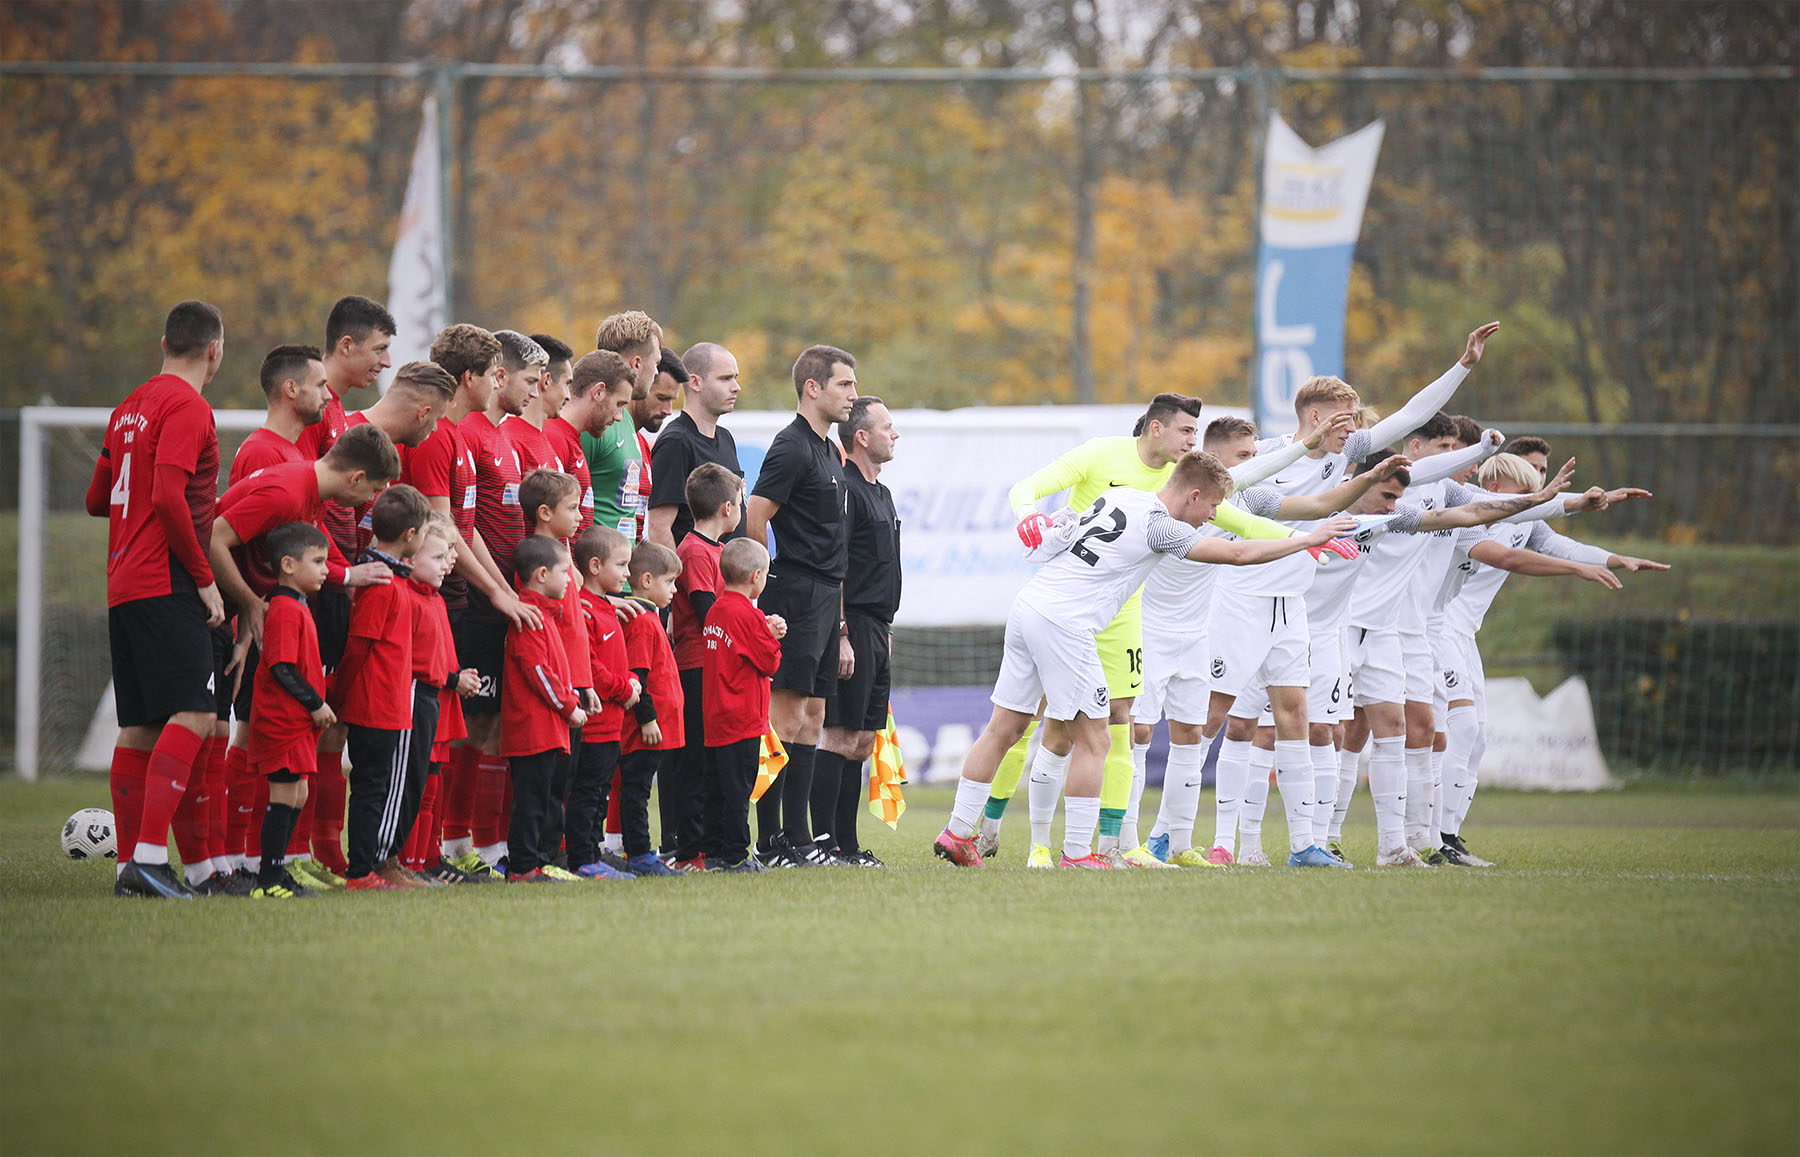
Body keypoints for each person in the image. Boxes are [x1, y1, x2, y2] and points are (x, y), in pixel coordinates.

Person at [933, 452, 1356, 869]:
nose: (1212, 517)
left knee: (1003, 727)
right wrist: (1306, 539)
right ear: (1193, 495)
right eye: (1211, 506)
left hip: (1031, 605)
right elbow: (1237, 555)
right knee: (1096, 740)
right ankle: (1078, 855)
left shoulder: (1126, 497)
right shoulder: (1160, 526)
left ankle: (957, 832)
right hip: (1065, 623)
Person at [974, 393, 1303, 863]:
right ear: (1157, 429)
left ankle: (1116, 844)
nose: (1194, 441)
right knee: (1038, 725)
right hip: (1069, 611)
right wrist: (1029, 515)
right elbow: (1024, 488)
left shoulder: (1179, 482)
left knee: (1120, 726)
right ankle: (1014, 834)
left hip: (1125, 616)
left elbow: (1244, 525)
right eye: (1188, 432)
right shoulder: (1101, 454)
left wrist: (1305, 540)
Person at [86, 300, 228, 899]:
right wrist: (202, 577)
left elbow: (98, 499)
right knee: (195, 712)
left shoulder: (127, 409)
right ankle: (147, 859)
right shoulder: (189, 407)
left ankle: (129, 867)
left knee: (141, 726)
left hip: (123, 580)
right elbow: (171, 496)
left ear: (162, 342)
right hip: (166, 578)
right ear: (215, 352)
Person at [745, 345, 859, 867]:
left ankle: (798, 838)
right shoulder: (790, 446)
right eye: (844, 385)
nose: (852, 396)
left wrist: (836, 622)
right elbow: (756, 515)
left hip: (824, 597)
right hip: (793, 591)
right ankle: (769, 842)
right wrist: (764, 581)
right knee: (784, 718)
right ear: (813, 387)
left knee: (813, 717)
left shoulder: (831, 451)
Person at [296, 297, 396, 879]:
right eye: (379, 350)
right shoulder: (317, 410)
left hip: (336, 584)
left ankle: (324, 849)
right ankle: (284, 851)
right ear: (347, 346)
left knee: (331, 724)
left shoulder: (340, 414)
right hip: (312, 587)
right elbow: (304, 507)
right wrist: (343, 572)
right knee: (297, 723)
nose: (383, 362)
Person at [457, 329, 547, 872]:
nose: (535, 392)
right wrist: (497, 589)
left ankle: (483, 844)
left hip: (505, 602)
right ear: (498, 376)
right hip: (476, 604)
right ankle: (451, 842)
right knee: (469, 723)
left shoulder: (503, 437)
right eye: (530, 381)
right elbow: (464, 527)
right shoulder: (467, 433)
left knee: (491, 725)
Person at [331, 484, 430, 891]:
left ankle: (368, 867)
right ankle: (361, 871)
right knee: (372, 787)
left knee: (378, 784)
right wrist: (340, 695)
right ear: (410, 536)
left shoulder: (393, 578)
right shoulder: (381, 582)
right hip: (374, 704)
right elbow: (359, 645)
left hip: (388, 702)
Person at [815, 396, 901, 867]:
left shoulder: (881, 492)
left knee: (864, 741)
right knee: (839, 736)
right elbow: (839, 568)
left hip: (877, 627)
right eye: (888, 427)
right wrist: (843, 631)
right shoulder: (845, 489)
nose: (896, 434)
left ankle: (846, 847)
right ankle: (824, 843)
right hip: (854, 624)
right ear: (862, 437)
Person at [247, 521, 335, 899]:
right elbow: (281, 667)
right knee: (284, 796)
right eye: (317, 560)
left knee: (297, 795)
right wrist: (315, 703)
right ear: (287, 565)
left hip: (297, 723)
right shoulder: (283, 609)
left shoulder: (298, 607)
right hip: (282, 722)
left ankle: (279, 873)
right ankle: (267, 881)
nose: (326, 569)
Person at [662, 463, 743, 870]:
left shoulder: (718, 551)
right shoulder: (694, 551)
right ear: (728, 508)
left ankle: (711, 846)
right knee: (693, 760)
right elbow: (708, 613)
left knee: (712, 760)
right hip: (696, 666)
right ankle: (688, 850)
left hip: (717, 668)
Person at [516, 468, 593, 878]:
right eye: (573, 508)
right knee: (542, 786)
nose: (581, 516)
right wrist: (569, 693)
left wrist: (586, 682)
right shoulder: (537, 565)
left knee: (565, 780)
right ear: (545, 513)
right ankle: (536, 859)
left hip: (574, 688)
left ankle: (553, 855)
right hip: (553, 698)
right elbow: (543, 648)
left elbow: (575, 631)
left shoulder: (563, 563)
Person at [398, 515, 483, 884]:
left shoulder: (435, 598)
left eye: (452, 552)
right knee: (418, 785)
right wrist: (452, 679)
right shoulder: (408, 597)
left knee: (432, 784)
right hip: (422, 702)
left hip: (441, 702)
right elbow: (413, 662)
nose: (451, 560)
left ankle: (427, 859)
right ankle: (410, 862)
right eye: (442, 553)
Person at [500, 535, 588, 882]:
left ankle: (538, 862)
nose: (570, 579)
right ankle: (522, 866)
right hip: (533, 730)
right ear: (540, 574)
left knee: (547, 799)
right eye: (564, 571)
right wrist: (569, 707)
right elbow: (539, 673)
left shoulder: (546, 616)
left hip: (548, 730)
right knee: (531, 803)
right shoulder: (530, 619)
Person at [702, 538, 788, 873]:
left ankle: (712, 850)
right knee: (738, 790)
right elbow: (769, 662)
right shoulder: (747, 615)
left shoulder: (716, 609)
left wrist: (764, 627)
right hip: (742, 719)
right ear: (756, 577)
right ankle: (736, 855)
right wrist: (773, 636)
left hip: (715, 717)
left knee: (716, 788)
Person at [569, 525, 642, 879]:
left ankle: (593, 852)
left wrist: (628, 680)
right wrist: (624, 687)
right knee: (588, 793)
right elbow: (590, 668)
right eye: (622, 565)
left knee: (599, 794)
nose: (628, 573)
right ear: (595, 566)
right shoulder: (584, 609)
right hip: (595, 724)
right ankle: (582, 859)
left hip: (612, 724)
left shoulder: (604, 606)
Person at [617, 541, 685, 876]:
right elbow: (637, 676)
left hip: (661, 727)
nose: (674, 590)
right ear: (645, 581)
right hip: (647, 730)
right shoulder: (642, 622)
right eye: (669, 582)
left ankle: (638, 851)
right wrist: (647, 718)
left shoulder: (652, 618)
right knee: (637, 791)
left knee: (639, 789)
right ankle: (640, 853)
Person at [645, 341, 746, 549]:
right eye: (725, 378)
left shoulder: (726, 438)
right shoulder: (676, 442)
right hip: (697, 579)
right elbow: (659, 527)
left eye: (735, 378)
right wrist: (675, 581)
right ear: (695, 382)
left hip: (731, 579)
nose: (736, 387)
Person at [584, 310, 665, 541]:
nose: (657, 372)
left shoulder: (626, 419)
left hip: (622, 573)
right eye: (656, 363)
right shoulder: (593, 419)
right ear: (637, 363)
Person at [549, 349, 635, 543]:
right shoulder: (554, 437)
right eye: (619, 404)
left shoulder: (573, 438)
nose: (619, 417)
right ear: (598, 392)